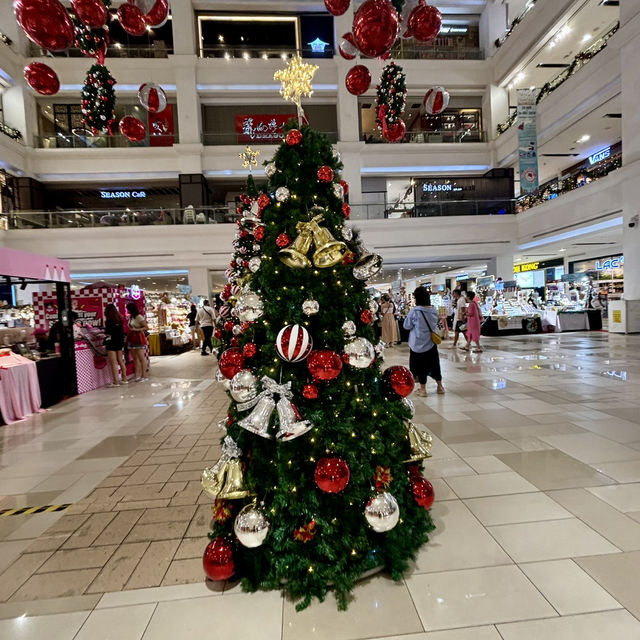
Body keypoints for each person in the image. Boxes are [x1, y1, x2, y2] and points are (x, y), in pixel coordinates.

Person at [403, 287, 445, 397]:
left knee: (420, 366)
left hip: (417, 343)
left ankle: (423, 390)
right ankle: (440, 387)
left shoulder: (415, 311)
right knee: (435, 365)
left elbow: (406, 326)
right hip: (431, 342)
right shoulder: (433, 310)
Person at [104, 303, 128, 386]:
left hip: (111, 343)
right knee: (121, 360)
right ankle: (124, 379)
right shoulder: (119, 319)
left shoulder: (108, 321)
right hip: (119, 342)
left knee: (113, 362)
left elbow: (108, 333)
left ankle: (115, 381)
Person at [126, 302, 148, 382]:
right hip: (132, 338)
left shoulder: (139, 317)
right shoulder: (131, 317)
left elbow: (146, 327)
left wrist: (137, 330)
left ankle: (144, 376)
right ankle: (137, 375)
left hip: (138, 338)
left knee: (141, 358)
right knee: (135, 358)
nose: (127, 310)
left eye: (127, 309)